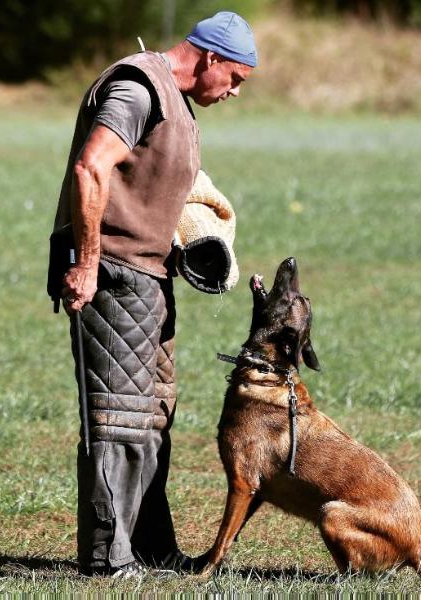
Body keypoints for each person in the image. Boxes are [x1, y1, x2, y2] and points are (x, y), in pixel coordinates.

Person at [47, 12, 257, 577]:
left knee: (152, 415)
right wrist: (87, 265)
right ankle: (107, 559)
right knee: (117, 419)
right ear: (211, 57)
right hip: (111, 270)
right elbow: (92, 167)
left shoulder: (176, 103)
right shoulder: (138, 87)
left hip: (149, 275)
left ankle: (149, 548)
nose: (234, 92)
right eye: (234, 78)